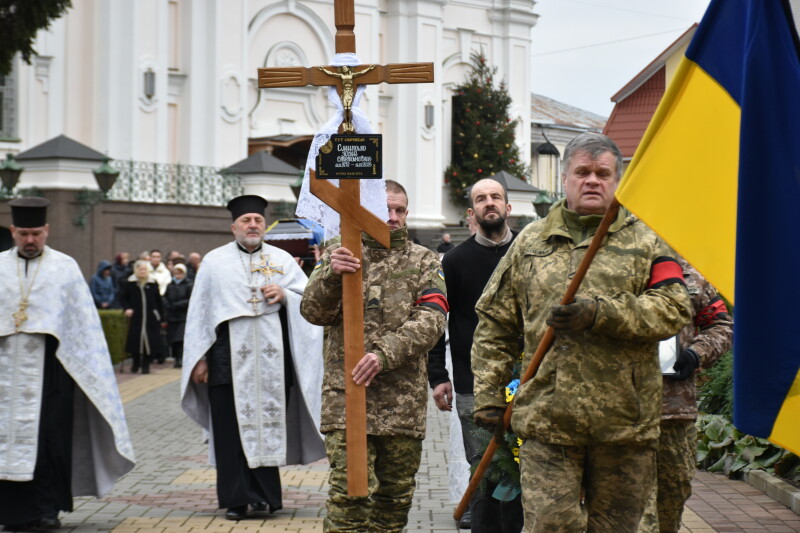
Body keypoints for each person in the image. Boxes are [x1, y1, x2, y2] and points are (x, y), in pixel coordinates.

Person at [471, 132, 693, 532]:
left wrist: (601, 314)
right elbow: (496, 322)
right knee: (551, 525)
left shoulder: (648, 241)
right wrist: (488, 395)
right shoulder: (531, 241)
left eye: (603, 173)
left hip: (624, 425)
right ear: (565, 178)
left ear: (618, 180)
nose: (593, 180)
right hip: (548, 421)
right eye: (583, 172)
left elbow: (675, 309)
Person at [300, 179, 448, 533]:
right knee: (349, 498)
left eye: (399, 210)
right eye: (386, 210)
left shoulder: (424, 260)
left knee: (393, 502)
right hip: (347, 398)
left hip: (402, 403)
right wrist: (331, 277)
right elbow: (312, 311)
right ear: (367, 210)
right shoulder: (341, 251)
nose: (393, 218)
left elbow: (433, 320)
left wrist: (384, 354)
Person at [181, 195, 325, 521]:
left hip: (273, 362)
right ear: (234, 226)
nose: (252, 225)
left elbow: (309, 302)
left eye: (258, 221)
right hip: (225, 360)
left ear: (265, 226)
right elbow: (200, 315)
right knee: (230, 430)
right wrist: (199, 359)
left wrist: (285, 295)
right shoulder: (214, 262)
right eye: (246, 220)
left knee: (269, 424)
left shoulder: (283, 260)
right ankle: (235, 499)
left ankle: (264, 497)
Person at [0, 197, 135, 531]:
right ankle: (9, 512)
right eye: (23, 234)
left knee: (51, 440)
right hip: (5, 371)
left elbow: (82, 326)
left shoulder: (65, 267)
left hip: (52, 370)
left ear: (46, 230)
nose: (30, 241)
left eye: (36, 233)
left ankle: (47, 509)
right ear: (14, 231)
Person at [428, 177, 520, 532]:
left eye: (496, 196)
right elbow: (436, 321)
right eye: (481, 199)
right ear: (472, 212)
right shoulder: (454, 261)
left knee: (522, 467)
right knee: (484, 466)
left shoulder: (528, 253)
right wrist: (438, 376)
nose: (490, 203)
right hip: (472, 384)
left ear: (508, 207)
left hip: (527, 379)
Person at [638, 258, 732, 533]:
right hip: (620, 413)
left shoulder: (693, 278)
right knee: (637, 513)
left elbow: (722, 325)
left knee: (672, 497)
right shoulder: (613, 268)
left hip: (674, 413)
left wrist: (696, 354)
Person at [120, 260, 165, 374]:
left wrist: (161, 316)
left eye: (145, 269)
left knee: (150, 342)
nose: (143, 272)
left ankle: (146, 365)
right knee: (135, 341)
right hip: (136, 317)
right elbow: (123, 298)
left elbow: (158, 301)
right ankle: (135, 363)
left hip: (151, 317)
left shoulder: (153, 283)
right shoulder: (130, 283)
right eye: (140, 269)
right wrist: (127, 309)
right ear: (136, 270)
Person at [164, 263, 193, 369]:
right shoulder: (170, 285)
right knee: (173, 339)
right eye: (176, 272)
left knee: (180, 339)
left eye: (180, 273)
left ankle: (181, 359)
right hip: (172, 316)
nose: (177, 275)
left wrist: (179, 304)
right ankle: (176, 359)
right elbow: (165, 297)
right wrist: (167, 304)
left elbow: (191, 299)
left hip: (183, 316)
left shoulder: (189, 284)